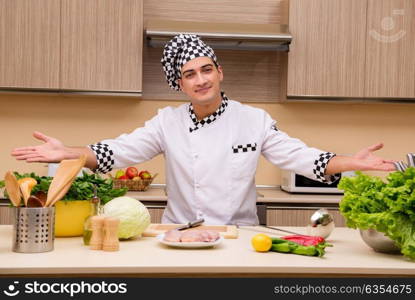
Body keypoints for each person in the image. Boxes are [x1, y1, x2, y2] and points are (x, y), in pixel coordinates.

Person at [11, 34, 396, 225]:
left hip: (239, 235)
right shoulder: (167, 121)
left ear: (219, 72)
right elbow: (120, 150)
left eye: (206, 69)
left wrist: (352, 163)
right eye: (189, 74)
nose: (200, 80)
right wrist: (71, 153)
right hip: (177, 236)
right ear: (180, 85)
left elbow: (302, 157)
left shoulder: (254, 119)